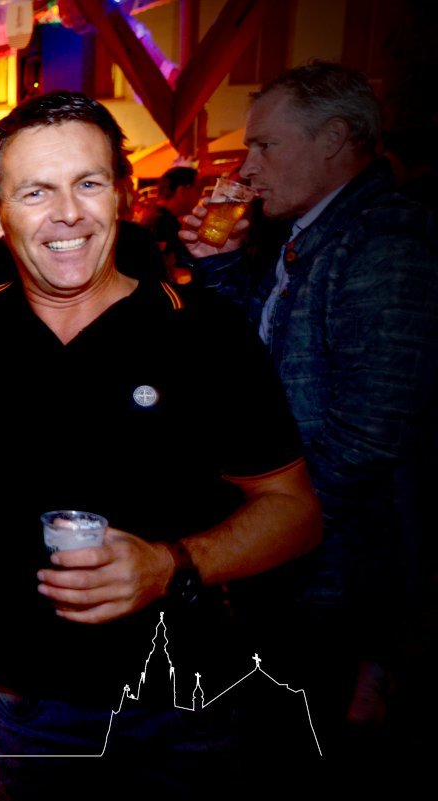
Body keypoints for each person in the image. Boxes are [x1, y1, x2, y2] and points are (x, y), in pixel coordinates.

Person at [0, 91, 322, 796]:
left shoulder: (202, 331)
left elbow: (295, 511)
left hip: (183, 703)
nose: (67, 213)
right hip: (28, 704)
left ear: (124, 197)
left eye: (88, 183)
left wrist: (171, 563)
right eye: (35, 191)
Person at [180, 62, 438, 783]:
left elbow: (372, 431)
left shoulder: (385, 243)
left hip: (339, 571)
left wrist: (272, 520)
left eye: (265, 146)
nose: (247, 167)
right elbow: (251, 358)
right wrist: (220, 265)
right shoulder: (308, 234)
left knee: (303, 747)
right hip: (305, 561)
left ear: (334, 138)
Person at [145, 166, 198, 282]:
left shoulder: (158, 217)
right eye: (197, 188)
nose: (199, 195)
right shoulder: (164, 223)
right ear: (182, 190)